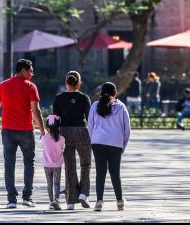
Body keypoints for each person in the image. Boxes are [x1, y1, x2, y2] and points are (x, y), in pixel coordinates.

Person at [0, 59, 45, 209]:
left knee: (9, 164)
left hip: (8, 131)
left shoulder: (3, 85)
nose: (32, 74)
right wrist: (42, 130)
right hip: (26, 131)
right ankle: (27, 197)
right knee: (29, 163)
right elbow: (36, 110)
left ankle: (11, 200)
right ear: (23, 71)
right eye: (31, 71)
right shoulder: (30, 86)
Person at [88, 82, 131, 212]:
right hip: (115, 142)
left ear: (100, 93)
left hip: (98, 142)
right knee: (115, 173)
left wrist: (94, 139)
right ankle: (119, 201)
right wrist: (122, 145)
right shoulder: (121, 107)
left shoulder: (95, 106)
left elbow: (90, 126)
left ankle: (99, 202)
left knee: (100, 172)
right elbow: (127, 129)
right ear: (115, 93)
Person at [52, 70, 92, 210]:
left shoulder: (58, 98)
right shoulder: (84, 98)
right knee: (85, 164)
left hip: (65, 134)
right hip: (82, 132)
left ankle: (70, 202)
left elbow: (55, 119)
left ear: (66, 83)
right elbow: (90, 118)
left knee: (69, 167)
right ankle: (84, 193)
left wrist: (55, 136)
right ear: (79, 84)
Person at [41, 114, 65, 210]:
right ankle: (56, 200)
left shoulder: (44, 138)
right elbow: (62, 148)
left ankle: (51, 202)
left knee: (49, 183)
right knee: (57, 183)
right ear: (59, 127)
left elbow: (42, 146)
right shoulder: (62, 139)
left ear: (47, 127)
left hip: (47, 164)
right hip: (57, 164)